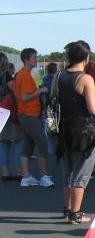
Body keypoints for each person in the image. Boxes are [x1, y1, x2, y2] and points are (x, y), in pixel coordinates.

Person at [55, 40, 95, 224]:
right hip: (83, 131)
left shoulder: (59, 76)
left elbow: (54, 100)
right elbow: (93, 109)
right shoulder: (86, 79)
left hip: (64, 128)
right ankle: (76, 213)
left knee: (68, 172)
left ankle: (68, 209)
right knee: (81, 173)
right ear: (86, 58)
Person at [12, 48, 53, 187]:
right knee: (42, 143)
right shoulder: (24, 75)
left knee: (28, 146)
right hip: (29, 115)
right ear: (26, 60)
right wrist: (40, 91)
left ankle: (26, 177)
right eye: (34, 58)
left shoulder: (26, 74)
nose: (37, 60)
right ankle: (43, 176)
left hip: (27, 114)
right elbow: (24, 97)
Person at [0, 52, 22, 181]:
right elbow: (15, 90)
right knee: (18, 139)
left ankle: (5, 171)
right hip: (7, 110)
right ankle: (19, 169)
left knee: (3, 142)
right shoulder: (6, 75)